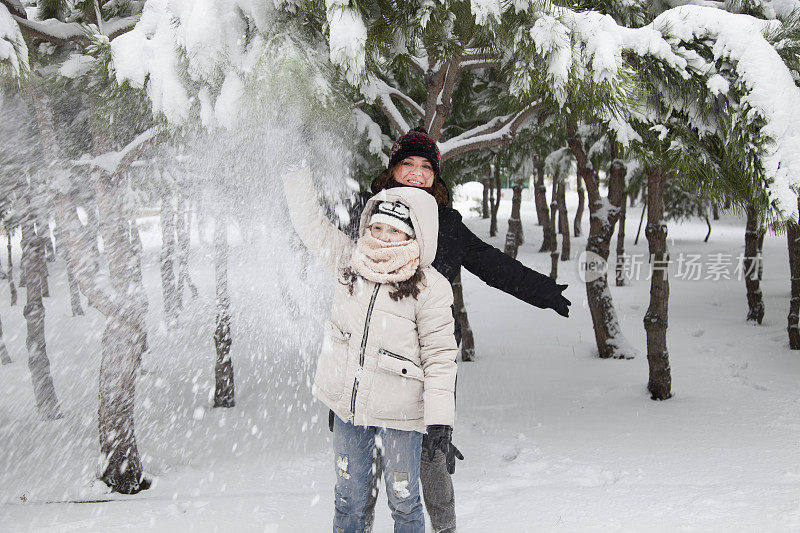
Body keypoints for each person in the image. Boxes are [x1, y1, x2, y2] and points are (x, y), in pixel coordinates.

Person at [340, 127, 572, 533]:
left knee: (430, 451)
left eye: (426, 167)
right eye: (408, 164)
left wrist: (542, 291)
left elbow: (489, 262)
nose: (416, 173)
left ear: (436, 176)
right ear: (393, 168)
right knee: (368, 456)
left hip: (431, 357)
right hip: (375, 355)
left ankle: (444, 526)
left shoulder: (445, 223)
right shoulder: (370, 211)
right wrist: (343, 393)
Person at [281, 162, 459, 533]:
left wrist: (439, 421)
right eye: (376, 226)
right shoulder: (351, 262)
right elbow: (310, 224)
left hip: (402, 415)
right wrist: (296, 170)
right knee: (348, 499)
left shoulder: (430, 286)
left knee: (404, 501)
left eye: (393, 229)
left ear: (414, 234)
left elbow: (440, 357)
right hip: (350, 411)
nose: (382, 235)